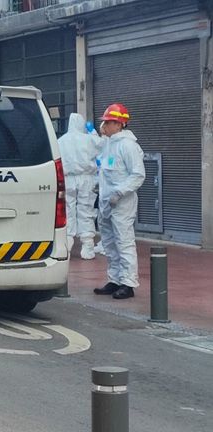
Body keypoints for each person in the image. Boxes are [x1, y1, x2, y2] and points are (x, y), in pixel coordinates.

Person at [92, 103, 145, 300]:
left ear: (119, 124)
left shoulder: (128, 146)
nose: (104, 126)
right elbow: (105, 170)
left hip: (122, 203)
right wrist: (98, 187)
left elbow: (138, 175)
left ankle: (128, 284)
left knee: (124, 242)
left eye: (108, 122)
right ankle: (114, 280)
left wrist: (119, 192)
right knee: (109, 243)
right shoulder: (109, 144)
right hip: (106, 201)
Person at [58, 114, 102, 259]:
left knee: (67, 210)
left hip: (67, 179)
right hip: (86, 178)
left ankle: (67, 244)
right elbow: (102, 146)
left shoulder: (61, 141)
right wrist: (93, 132)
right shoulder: (88, 139)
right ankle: (87, 246)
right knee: (86, 210)